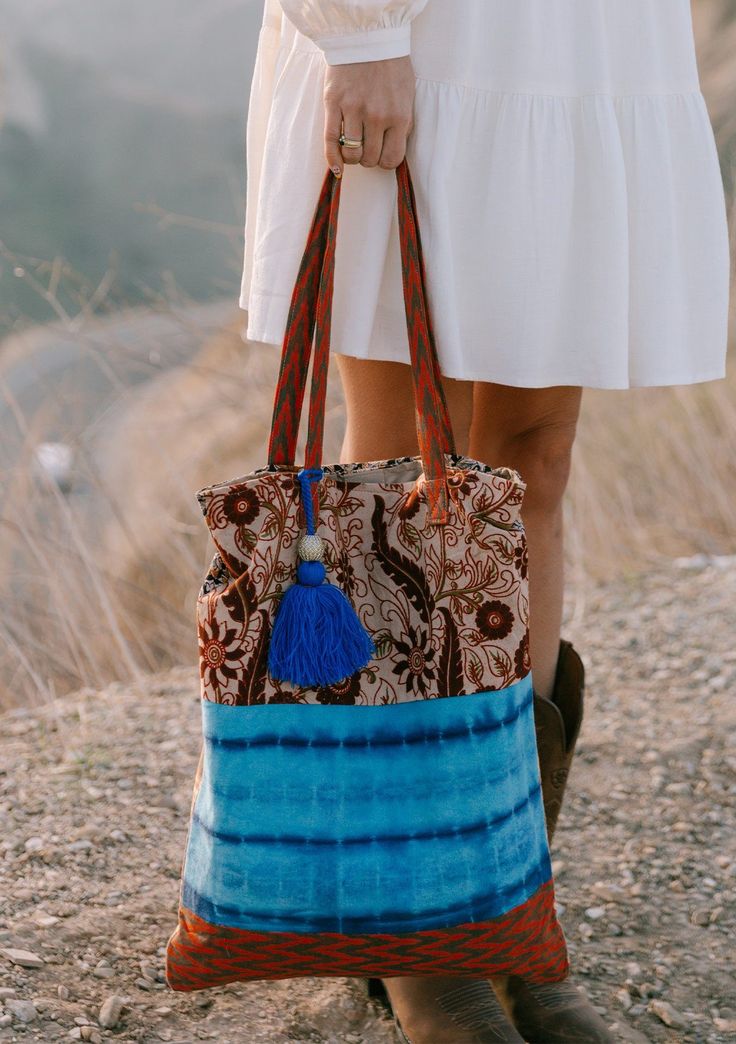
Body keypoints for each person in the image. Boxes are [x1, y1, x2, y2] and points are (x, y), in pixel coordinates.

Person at [238, 2, 731, 1041]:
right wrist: (359, 32)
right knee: (406, 472)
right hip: (436, 38)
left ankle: (504, 903)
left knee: (535, 457)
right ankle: (412, 926)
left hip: (589, 45)